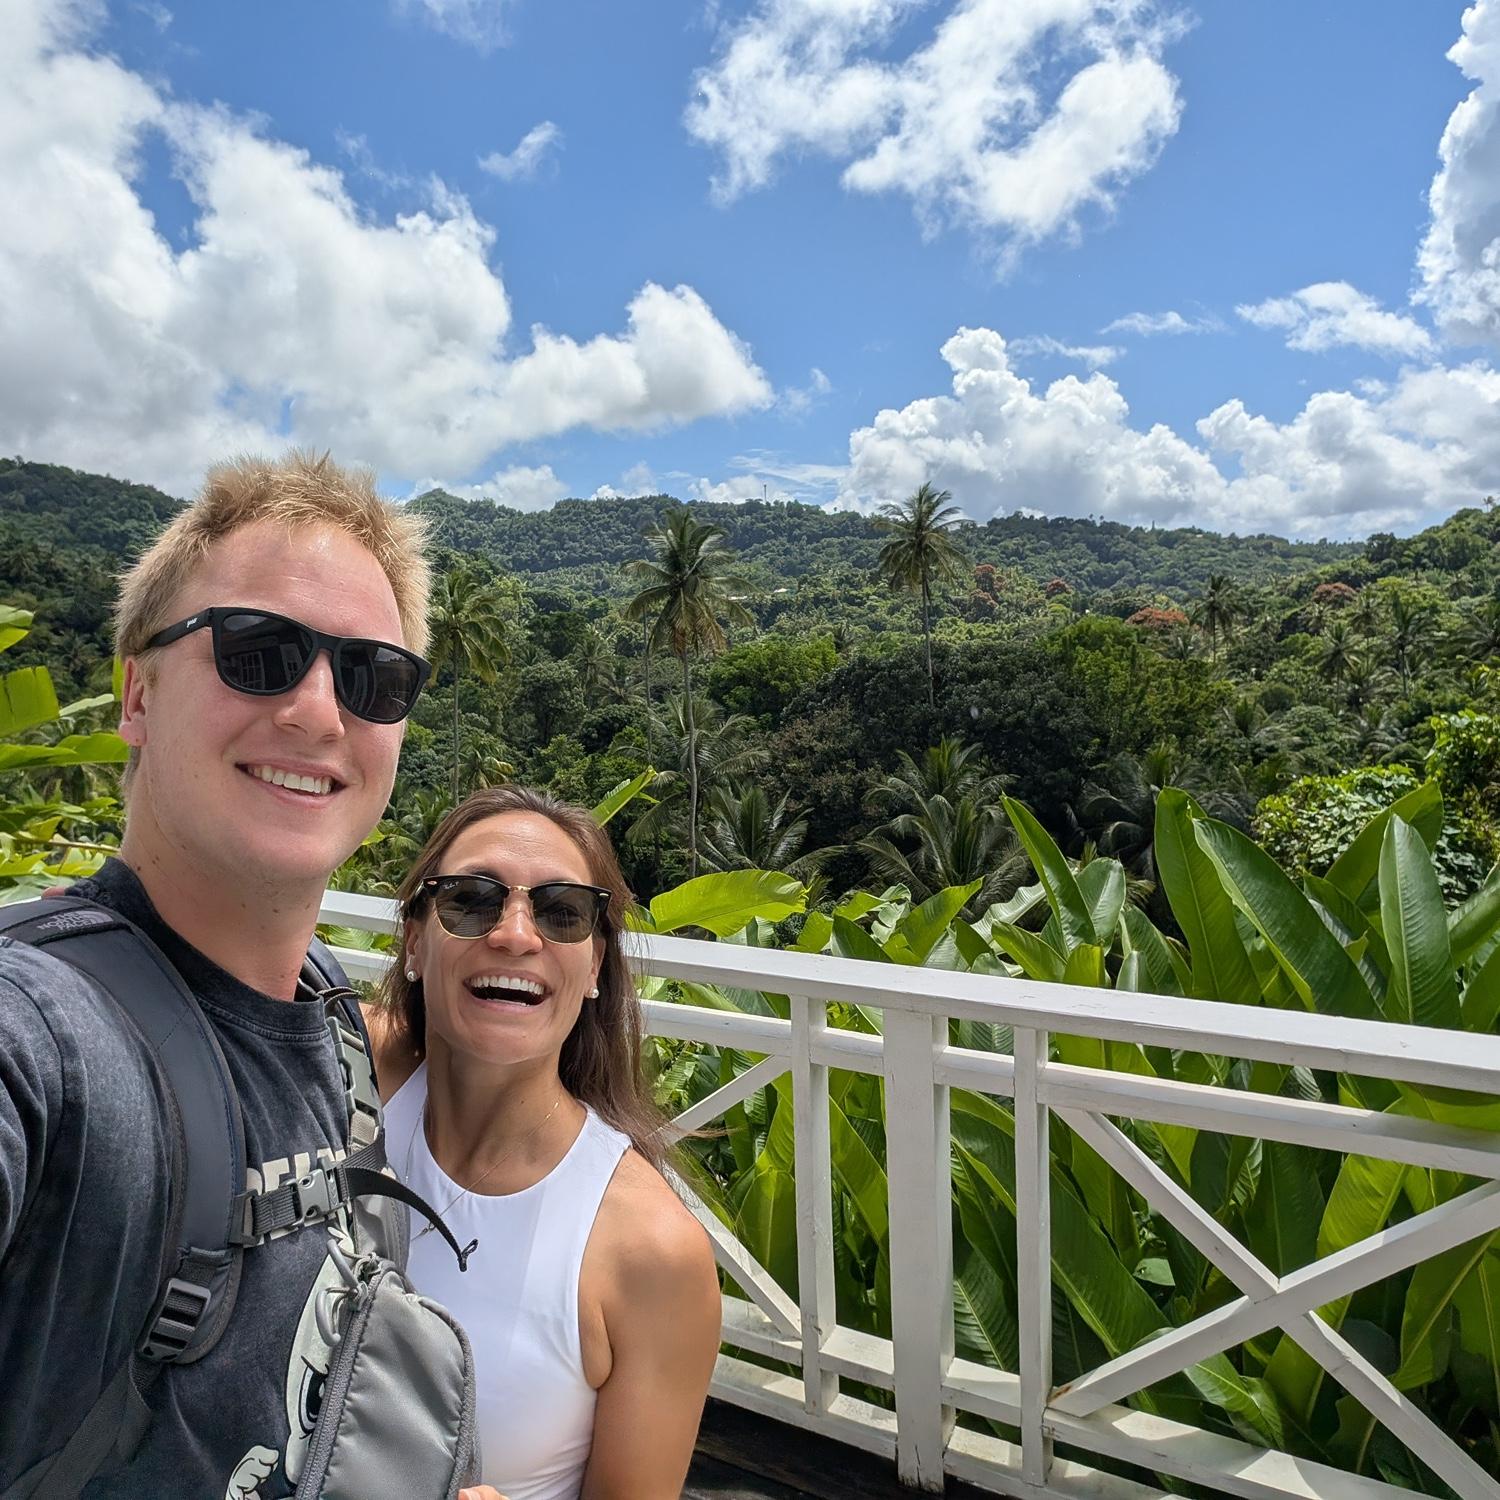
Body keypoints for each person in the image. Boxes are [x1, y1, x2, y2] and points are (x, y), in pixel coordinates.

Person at [0, 452, 505, 1500]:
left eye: (371, 675)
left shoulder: (327, 1014)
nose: (321, 711)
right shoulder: (46, 1038)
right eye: (259, 651)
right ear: (136, 693)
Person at [366, 785, 721, 1500]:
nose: (516, 934)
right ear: (414, 940)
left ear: (593, 967)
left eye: (562, 912)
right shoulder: (349, 1072)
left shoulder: (647, 1253)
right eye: (470, 899)